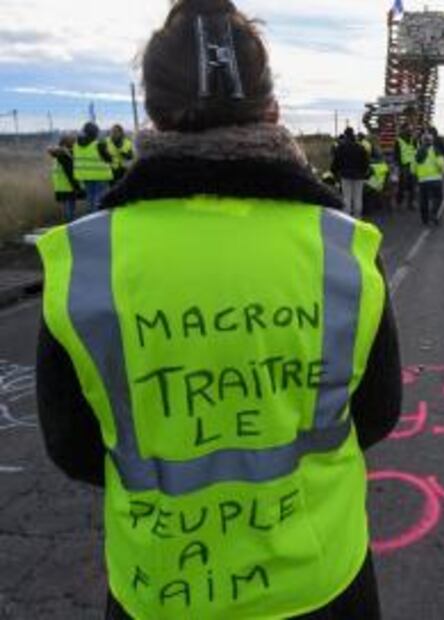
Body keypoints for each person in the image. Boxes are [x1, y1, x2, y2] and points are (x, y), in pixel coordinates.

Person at [34, 2, 401, 618]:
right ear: (270, 108)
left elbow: (72, 448)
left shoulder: (85, 259)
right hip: (319, 581)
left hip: (162, 588)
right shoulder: (343, 249)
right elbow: (377, 414)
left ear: (151, 111)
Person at [73, 121, 114, 213]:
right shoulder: (99, 145)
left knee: (90, 198)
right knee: (100, 199)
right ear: (94, 133)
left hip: (85, 176)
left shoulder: (76, 145)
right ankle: (97, 220)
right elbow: (109, 159)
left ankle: (90, 218)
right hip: (100, 176)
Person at [331, 127, 371, 217]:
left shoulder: (341, 148)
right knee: (358, 198)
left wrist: (334, 172)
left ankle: (348, 218)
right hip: (359, 176)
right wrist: (364, 173)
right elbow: (366, 162)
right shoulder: (361, 147)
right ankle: (358, 218)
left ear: (345, 135)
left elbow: (336, 162)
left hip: (345, 176)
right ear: (353, 135)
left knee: (347, 198)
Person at [47, 134, 84, 222]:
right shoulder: (65, 156)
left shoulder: (58, 154)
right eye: (74, 142)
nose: (76, 144)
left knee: (65, 209)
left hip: (60, 185)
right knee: (70, 209)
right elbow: (70, 173)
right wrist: (77, 187)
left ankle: (66, 224)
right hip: (68, 185)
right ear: (69, 144)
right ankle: (69, 227)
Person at [415, 133, 444, 226]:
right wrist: (442, 171)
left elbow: (413, 166)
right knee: (438, 198)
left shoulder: (417, 151)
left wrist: (417, 175)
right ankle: (433, 214)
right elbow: (440, 164)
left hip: (422, 180)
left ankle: (425, 219)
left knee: (423, 200)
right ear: (431, 141)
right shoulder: (436, 150)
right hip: (435, 179)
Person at [395, 127, 417, 210]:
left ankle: (401, 203)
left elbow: (396, 154)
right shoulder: (400, 141)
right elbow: (397, 154)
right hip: (407, 165)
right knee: (409, 186)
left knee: (403, 185)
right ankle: (408, 203)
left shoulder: (411, 140)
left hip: (407, 165)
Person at [364, 147, 392, 215]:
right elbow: (387, 177)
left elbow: (366, 176)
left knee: (364, 188)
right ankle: (384, 206)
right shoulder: (384, 165)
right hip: (382, 185)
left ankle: (367, 210)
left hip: (372, 185)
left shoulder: (370, 165)